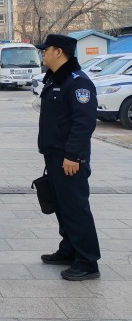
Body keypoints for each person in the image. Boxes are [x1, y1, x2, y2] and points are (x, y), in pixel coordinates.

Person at [35, 34, 100, 281]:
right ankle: (69, 250)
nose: (43, 53)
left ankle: (87, 262)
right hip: (54, 155)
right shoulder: (56, 79)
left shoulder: (78, 82)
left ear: (59, 52)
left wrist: (73, 155)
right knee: (62, 207)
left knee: (75, 208)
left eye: (46, 49)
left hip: (70, 159)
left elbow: (83, 123)